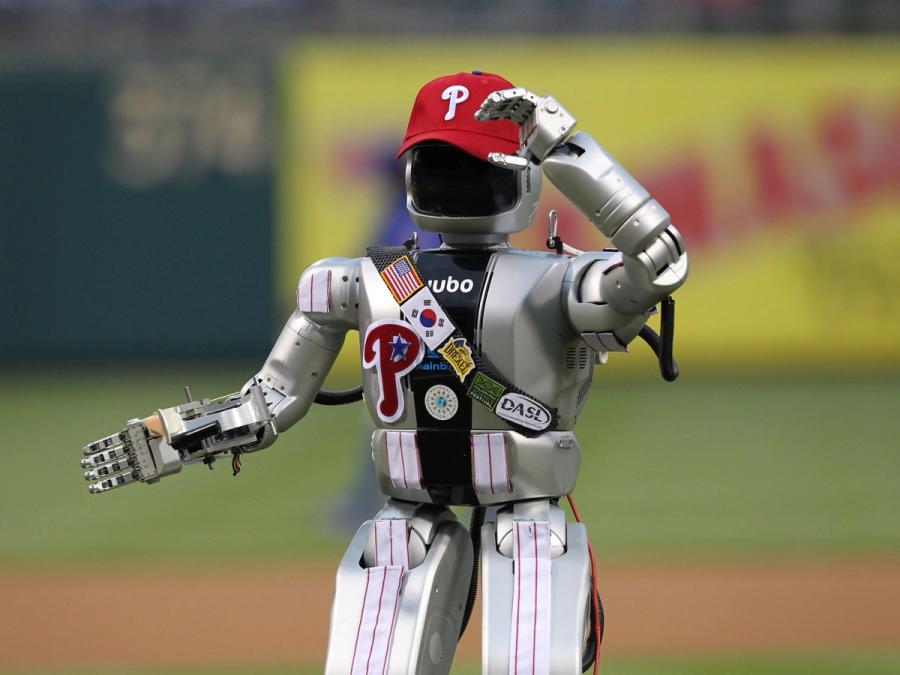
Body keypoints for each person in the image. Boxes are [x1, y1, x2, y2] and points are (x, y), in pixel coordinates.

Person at [81, 70, 688, 675]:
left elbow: (267, 401)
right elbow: (658, 256)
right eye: (442, 165)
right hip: (487, 522)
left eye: (468, 167)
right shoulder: (559, 282)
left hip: (418, 524)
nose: (456, 181)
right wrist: (562, 143)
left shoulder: (356, 282)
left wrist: (174, 438)